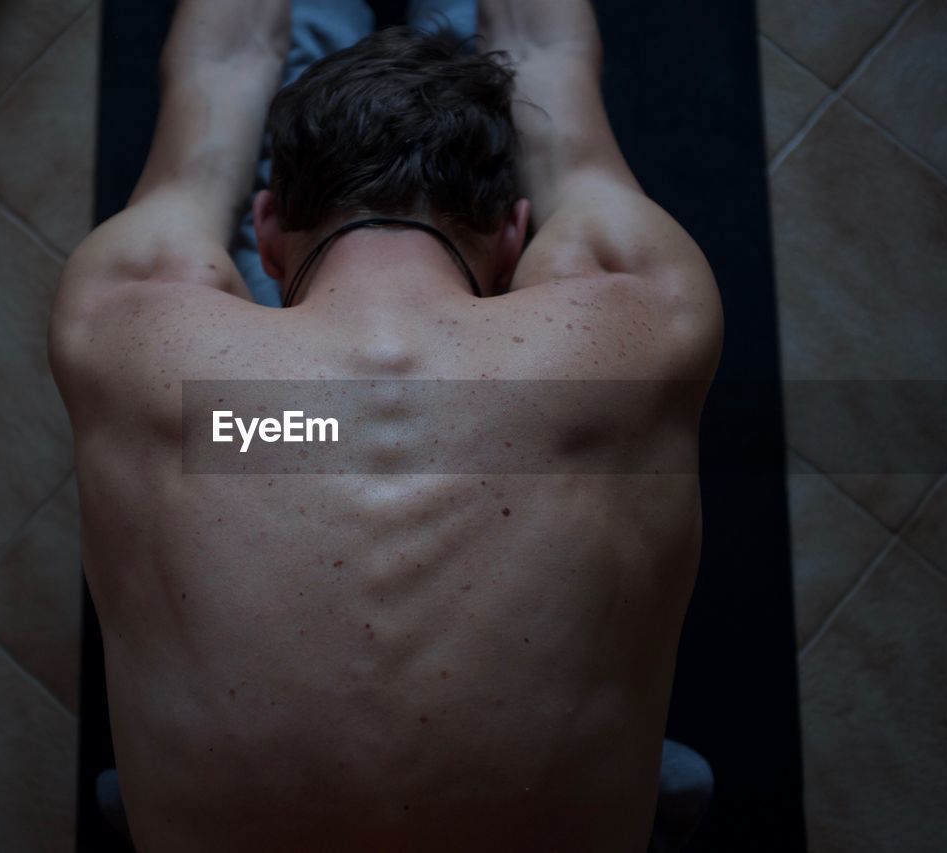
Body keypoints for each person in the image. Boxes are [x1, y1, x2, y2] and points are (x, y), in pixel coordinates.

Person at [49, 0, 724, 849]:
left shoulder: (129, 319)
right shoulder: (643, 307)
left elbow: (222, 68)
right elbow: (543, 50)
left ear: (264, 232)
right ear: (518, 237)